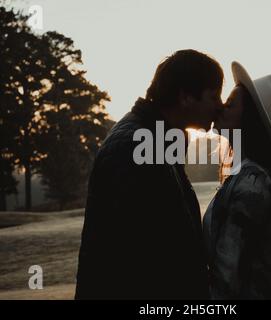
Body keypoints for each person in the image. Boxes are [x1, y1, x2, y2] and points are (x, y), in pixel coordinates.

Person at [75, 49, 224, 299]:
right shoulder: (134, 147)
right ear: (186, 97)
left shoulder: (156, 141)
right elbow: (139, 258)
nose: (219, 107)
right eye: (214, 96)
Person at [203, 61, 271, 299]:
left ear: (248, 119)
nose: (220, 109)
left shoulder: (251, 184)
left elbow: (227, 274)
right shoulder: (249, 177)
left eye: (230, 105)